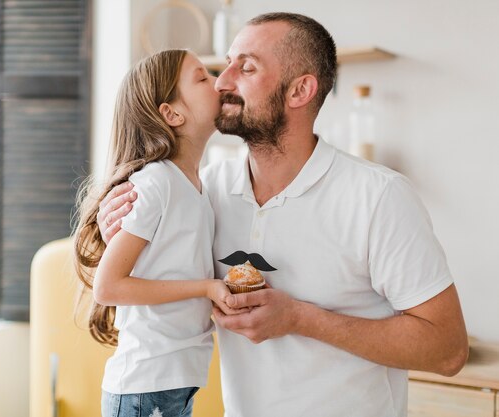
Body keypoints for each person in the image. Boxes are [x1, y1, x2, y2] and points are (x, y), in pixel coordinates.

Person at [96, 12, 469, 417]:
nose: (223, 81)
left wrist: (299, 318)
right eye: (225, 64)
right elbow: (122, 283)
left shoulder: (379, 197)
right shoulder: (205, 190)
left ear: (299, 91)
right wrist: (110, 230)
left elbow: (448, 351)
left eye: (247, 67)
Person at [73, 49, 243, 417]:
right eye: (202, 77)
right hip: (146, 385)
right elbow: (108, 286)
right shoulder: (157, 182)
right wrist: (205, 288)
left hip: (173, 381)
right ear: (172, 113)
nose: (219, 82)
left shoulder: (195, 185)